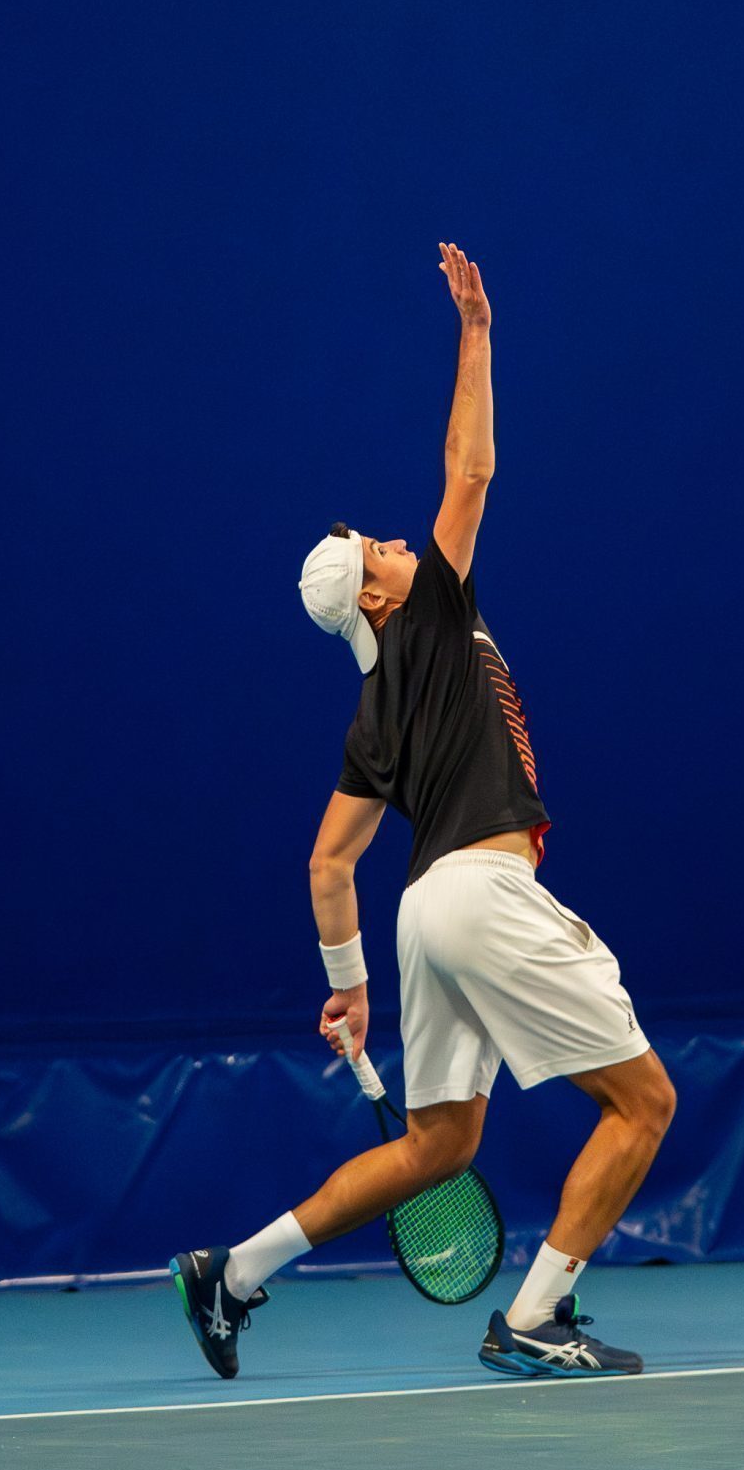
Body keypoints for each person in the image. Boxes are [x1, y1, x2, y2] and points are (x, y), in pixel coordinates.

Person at [172, 242, 676, 1379]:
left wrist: (349, 984)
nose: (400, 542)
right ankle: (538, 1314)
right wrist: (477, 332)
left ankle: (232, 1271)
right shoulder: (434, 617)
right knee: (643, 1102)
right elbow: (470, 471)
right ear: (377, 594)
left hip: (418, 918)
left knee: (439, 1143)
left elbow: (328, 861)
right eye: (381, 549)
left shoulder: (372, 711)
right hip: (482, 893)